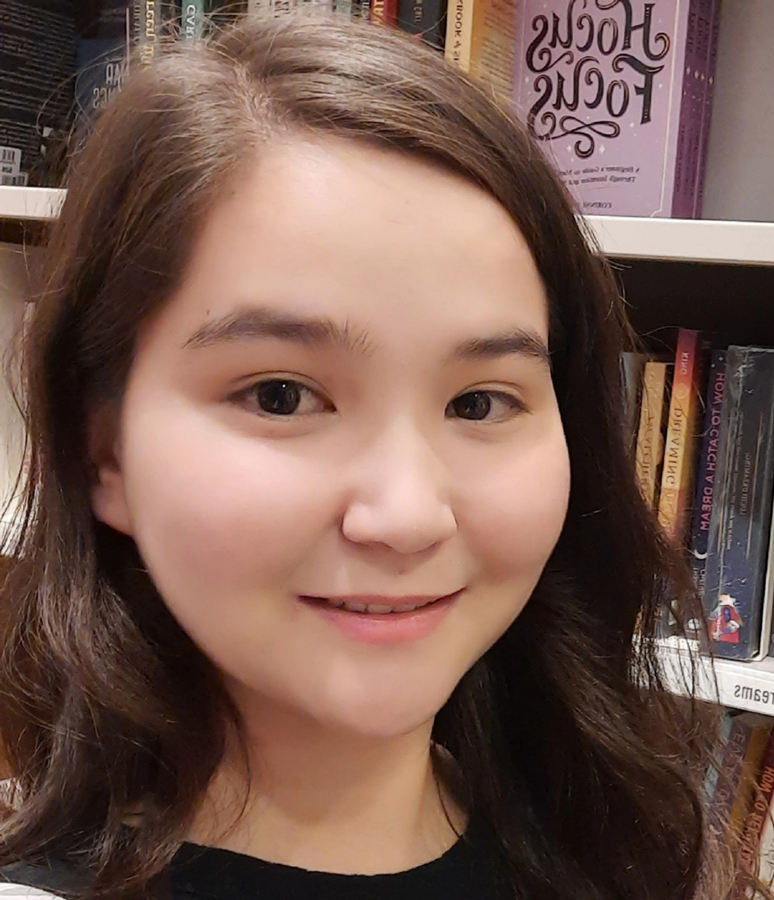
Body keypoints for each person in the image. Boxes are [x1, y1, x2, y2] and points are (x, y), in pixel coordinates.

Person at [0, 12, 734, 900]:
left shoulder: (610, 850)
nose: (407, 516)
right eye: (282, 396)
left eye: (479, 402)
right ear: (102, 455)